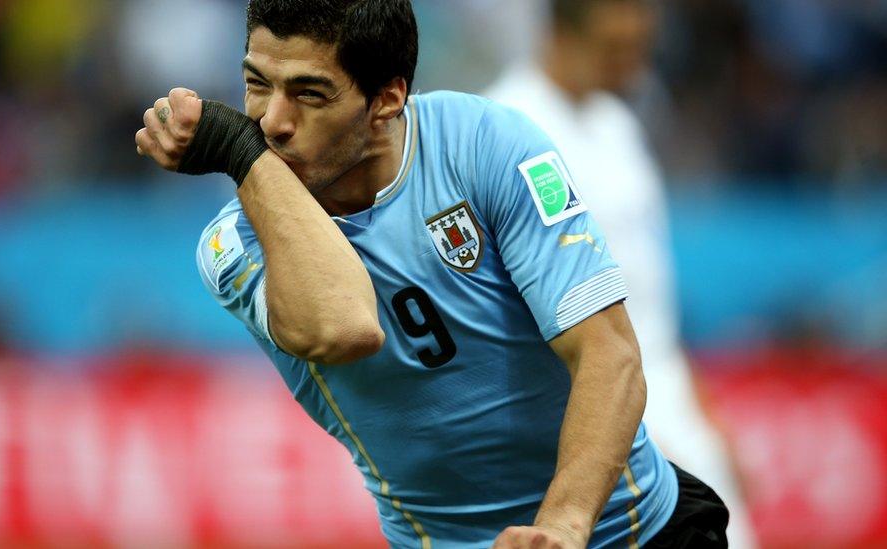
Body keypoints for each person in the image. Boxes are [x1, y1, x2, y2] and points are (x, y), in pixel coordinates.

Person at [135, 1, 728, 547]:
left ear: (387, 101)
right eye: (257, 85)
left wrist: (562, 529)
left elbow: (610, 354)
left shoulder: (485, 145)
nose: (271, 122)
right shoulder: (232, 242)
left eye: (310, 94)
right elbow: (345, 326)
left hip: (633, 531)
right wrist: (244, 157)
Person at [484, 1, 756, 547]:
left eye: (638, 47)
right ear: (562, 31)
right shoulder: (501, 128)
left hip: (664, 388)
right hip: (584, 403)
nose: (631, 63)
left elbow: (653, 301)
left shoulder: (621, 125)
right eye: (615, 48)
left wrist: (700, 409)